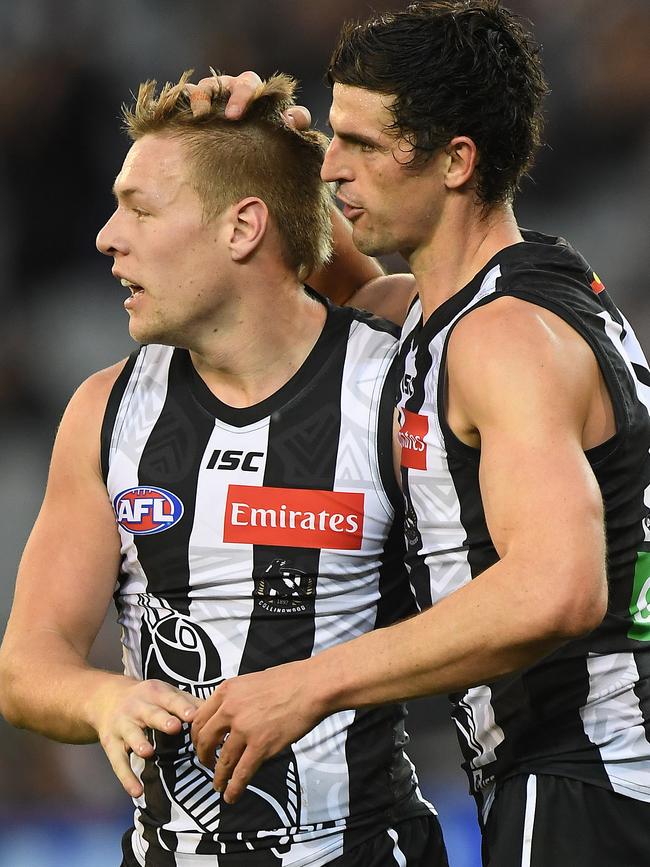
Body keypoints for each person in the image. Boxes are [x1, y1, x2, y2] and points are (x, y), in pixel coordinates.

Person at [187, 4, 650, 865]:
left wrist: (309, 685)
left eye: (361, 146)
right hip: (574, 777)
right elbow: (350, 298)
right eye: (332, 139)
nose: (333, 167)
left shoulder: (503, 338)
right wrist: (267, 161)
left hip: (591, 778)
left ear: (455, 161)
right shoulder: (485, 300)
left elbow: (558, 588)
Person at [0, 73, 447, 866]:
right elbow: (27, 665)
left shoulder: (396, 384)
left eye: (140, 208)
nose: (107, 235)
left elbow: (522, 596)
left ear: (242, 228)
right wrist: (103, 695)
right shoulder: (104, 412)